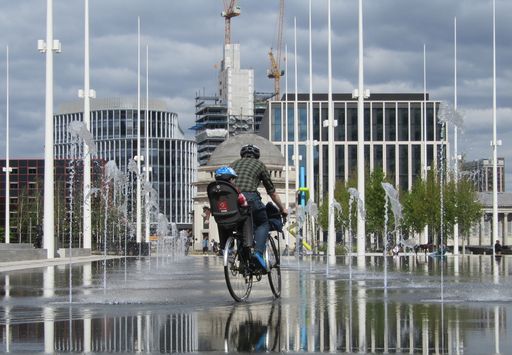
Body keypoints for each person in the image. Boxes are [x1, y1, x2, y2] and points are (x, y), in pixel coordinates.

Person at [230, 144, 287, 270]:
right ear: (256, 156)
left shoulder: (233, 164)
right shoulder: (259, 165)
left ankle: (243, 261)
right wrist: (282, 209)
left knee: (241, 228)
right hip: (250, 198)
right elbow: (271, 191)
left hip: (232, 201)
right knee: (263, 223)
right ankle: (258, 253)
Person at [212, 166, 249, 254]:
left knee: (224, 225)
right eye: (233, 179)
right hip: (235, 219)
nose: (234, 181)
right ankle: (247, 241)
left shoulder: (213, 190)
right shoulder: (234, 190)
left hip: (220, 220)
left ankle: (225, 246)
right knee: (247, 216)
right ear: (230, 179)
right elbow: (243, 202)